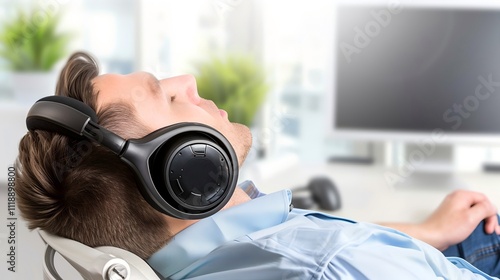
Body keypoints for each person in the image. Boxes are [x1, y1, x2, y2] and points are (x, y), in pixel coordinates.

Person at [16, 51, 500, 279]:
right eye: (165, 95)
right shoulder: (336, 264)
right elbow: (329, 257)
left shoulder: (208, 254)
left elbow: (296, 240)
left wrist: (426, 230)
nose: (187, 79)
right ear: (179, 170)